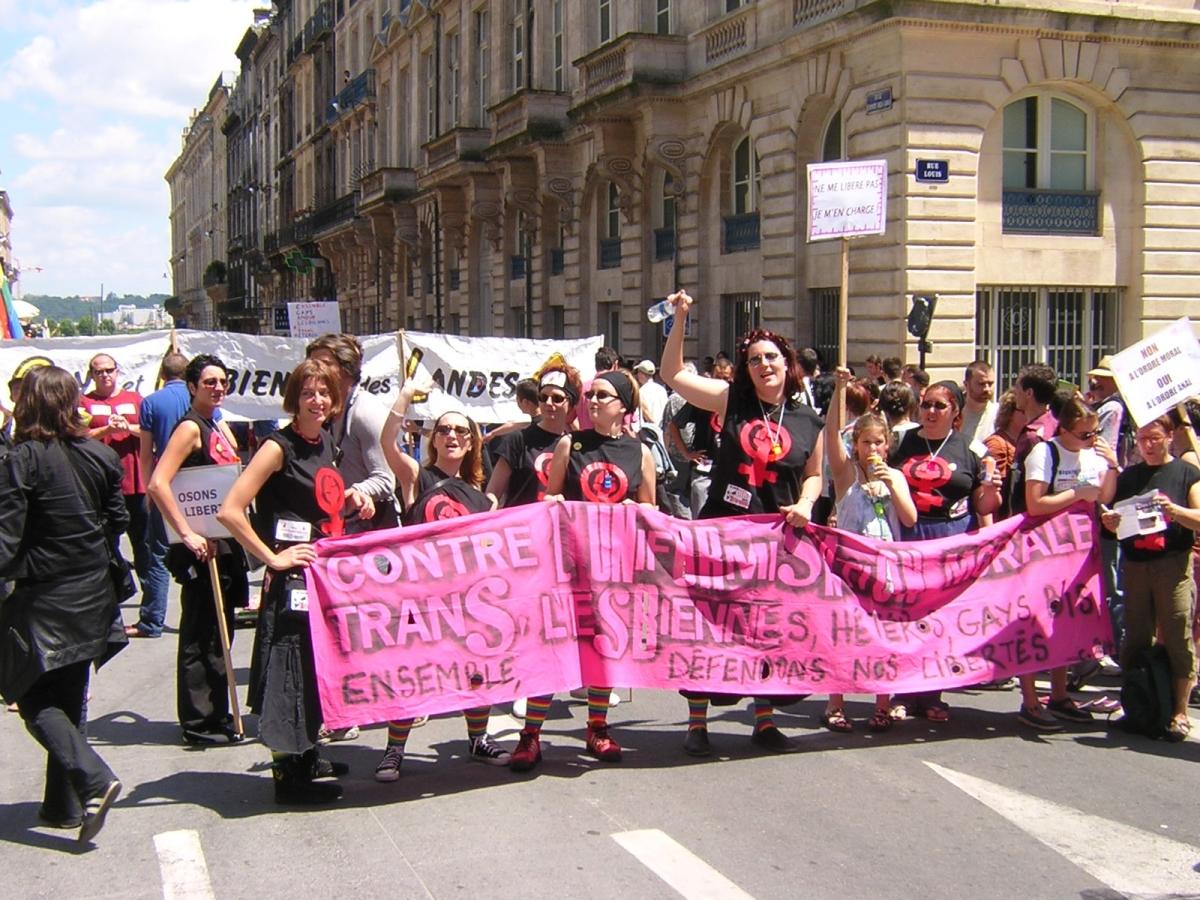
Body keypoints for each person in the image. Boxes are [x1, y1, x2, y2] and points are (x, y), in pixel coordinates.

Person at [661, 290, 824, 755]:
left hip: (776, 541)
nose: (763, 365)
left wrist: (807, 504)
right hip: (722, 533)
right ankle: (697, 721)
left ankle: (765, 717)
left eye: (771, 357)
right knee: (709, 624)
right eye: (754, 360)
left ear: (787, 362)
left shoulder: (808, 419)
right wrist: (681, 318)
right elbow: (673, 375)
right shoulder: (731, 402)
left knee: (765, 627)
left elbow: (812, 476)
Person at [217, 359, 371, 802]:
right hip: (292, 578)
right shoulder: (276, 446)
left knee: (313, 663)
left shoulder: (323, 441)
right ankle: (288, 775)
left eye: (324, 393)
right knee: (289, 663)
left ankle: (306, 751)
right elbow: (230, 509)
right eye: (309, 393)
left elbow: (317, 498)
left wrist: (350, 497)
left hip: (320, 572)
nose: (318, 401)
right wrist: (273, 558)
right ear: (294, 399)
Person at [0, 366, 125, 841]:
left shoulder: (22, 458)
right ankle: (63, 807)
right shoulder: (99, 453)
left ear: (29, 403)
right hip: (92, 588)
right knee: (68, 702)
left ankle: (94, 778)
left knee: (28, 696)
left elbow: (5, 539)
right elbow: (117, 521)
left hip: (44, 594)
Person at [371, 380, 511, 781]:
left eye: (461, 431)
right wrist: (405, 395)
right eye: (444, 430)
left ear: (471, 443)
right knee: (412, 673)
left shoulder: (483, 498)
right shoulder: (416, 475)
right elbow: (387, 440)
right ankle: (394, 750)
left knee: (477, 667)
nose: (452, 436)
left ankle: (477, 739)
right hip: (419, 598)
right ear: (433, 439)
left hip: (467, 599)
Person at [534, 366, 657, 766]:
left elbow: (651, 509)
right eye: (590, 396)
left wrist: (634, 509)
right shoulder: (571, 444)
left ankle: (598, 728)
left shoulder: (640, 453)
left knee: (605, 647)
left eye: (601, 396)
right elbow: (550, 498)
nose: (591, 402)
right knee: (554, 648)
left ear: (623, 406)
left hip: (615, 568)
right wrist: (556, 505)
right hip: (571, 566)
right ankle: (530, 734)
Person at [146, 354, 250, 745]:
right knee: (199, 635)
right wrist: (186, 533)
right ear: (191, 387)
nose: (218, 388)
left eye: (222, 381)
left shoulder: (216, 425)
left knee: (218, 634)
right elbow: (159, 483)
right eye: (209, 382)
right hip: (201, 550)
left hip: (223, 548)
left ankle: (218, 713)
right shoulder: (190, 428)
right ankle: (199, 722)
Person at [888, 380, 1001, 721]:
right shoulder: (902, 442)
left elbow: (982, 503)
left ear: (955, 412)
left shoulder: (972, 450)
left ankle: (932, 693)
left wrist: (992, 488)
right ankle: (905, 692)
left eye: (940, 406)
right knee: (908, 618)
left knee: (940, 621)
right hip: (909, 536)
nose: (931, 412)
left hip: (952, 539)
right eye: (926, 405)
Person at [821, 368, 916, 732]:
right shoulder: (847, 475)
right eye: (866, 443)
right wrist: (839, 393)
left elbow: (908, 519)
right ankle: (835, 702)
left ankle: (882, 701)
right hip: (849, 568)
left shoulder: (897, 476)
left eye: (879, 443)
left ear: (887, 446)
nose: (872, 450)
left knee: (884, 636)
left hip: (885, 568)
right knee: (844, 636)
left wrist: (894, 485)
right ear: (856, 445)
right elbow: (830, 433)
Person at [1015, 397, 1118, 730]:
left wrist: (1112, 465)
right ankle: (1030, 700)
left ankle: (1058, 695)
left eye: (1094, 433)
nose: (1091, 439)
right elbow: (1035, 504)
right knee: (1036, 622)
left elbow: (1103, 496)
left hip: (1080, 551)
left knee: (1066, 621)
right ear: (1065, 429)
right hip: (1043, 549)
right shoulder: (1045, 453)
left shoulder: (1091, 454)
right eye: (1084, 434)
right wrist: (1077, 494)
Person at [1101, 415, 1200, 741]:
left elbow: (1198, 518)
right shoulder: (1130, 477)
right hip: (1136, 564)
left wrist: (1175, 511)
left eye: (1155, 438)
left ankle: (1179, 712)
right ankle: (1135, 703)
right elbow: (1111, 516)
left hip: (1173, 565)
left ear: (1170, 437)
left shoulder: (1186, 473)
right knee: (1135, 637)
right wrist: (1112, 523)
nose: (1149, 445)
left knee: (1176, 632)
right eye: (1143, 439)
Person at [81, 354, 150, 634]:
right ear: (92, 375)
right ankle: (108, 604)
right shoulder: (84, 404)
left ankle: (150, 604)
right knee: (108, 547)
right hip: (102, 486)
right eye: (99, 372)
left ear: (118, 371)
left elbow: (149, 433)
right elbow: (80, 436)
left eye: (109, 370)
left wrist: (128, 428)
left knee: (144, 545)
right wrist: (106, 429)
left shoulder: (135, 399)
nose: (105, 376)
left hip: (136, 484)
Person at [305, 334, 396, 534]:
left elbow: (385, 479)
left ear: (346, 369)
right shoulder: (324, 411)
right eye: (312, 364)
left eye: (324, 364)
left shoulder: (365, 411)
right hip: (340, 523)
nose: (316, 371)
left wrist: (355, 492)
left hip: (372, 525)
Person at [959, 360, 998, 449]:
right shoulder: (954, 414)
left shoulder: (1000, 414)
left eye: (990, 383)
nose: (987, 389)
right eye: (981, 384)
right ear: (966, 385)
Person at [634, 360, 670, 428]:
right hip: (662, 428)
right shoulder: (661, 389)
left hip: (650, 430)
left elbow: (646, 413)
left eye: (638, 372)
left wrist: (654, 426)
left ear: (641, 374)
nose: (637, 375)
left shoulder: (641, 392)